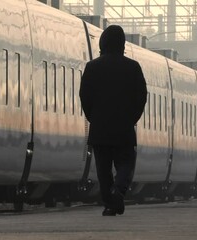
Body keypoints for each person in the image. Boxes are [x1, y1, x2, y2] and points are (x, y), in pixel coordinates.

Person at [79, 25, 147, 216]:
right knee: (126, 164)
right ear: (122, 44)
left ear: (103, 44)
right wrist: (132, 118)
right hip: (124, 128)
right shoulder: (133, 67)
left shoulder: (92, 67)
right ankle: (118, 192)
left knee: (103, 170)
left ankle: (110, 202)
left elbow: (85, 96)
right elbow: (141, 97)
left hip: (100, 129)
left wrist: (93, 118)